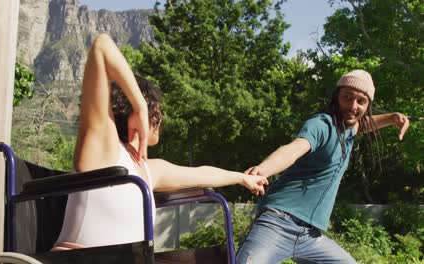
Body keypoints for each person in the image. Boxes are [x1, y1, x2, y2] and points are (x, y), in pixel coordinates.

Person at [53, 34, 268, 250]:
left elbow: (201, 173)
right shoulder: (104, 146)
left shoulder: (147, 170)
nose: (162, 117)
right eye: (157, 109)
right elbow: (101, 46)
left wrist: (242, 178)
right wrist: (141, 105)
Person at [236, 69, 410, 263]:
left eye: (361, 101)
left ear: (368, 105)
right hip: (278, 223)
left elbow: (361, 124)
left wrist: (392, 118)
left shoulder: (348, 129)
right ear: (336, 97)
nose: (353, 106)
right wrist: (262, 170)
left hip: (310, 236)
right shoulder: (322, 124)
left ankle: (210, 255)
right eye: (347, 97)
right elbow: (293, 149)